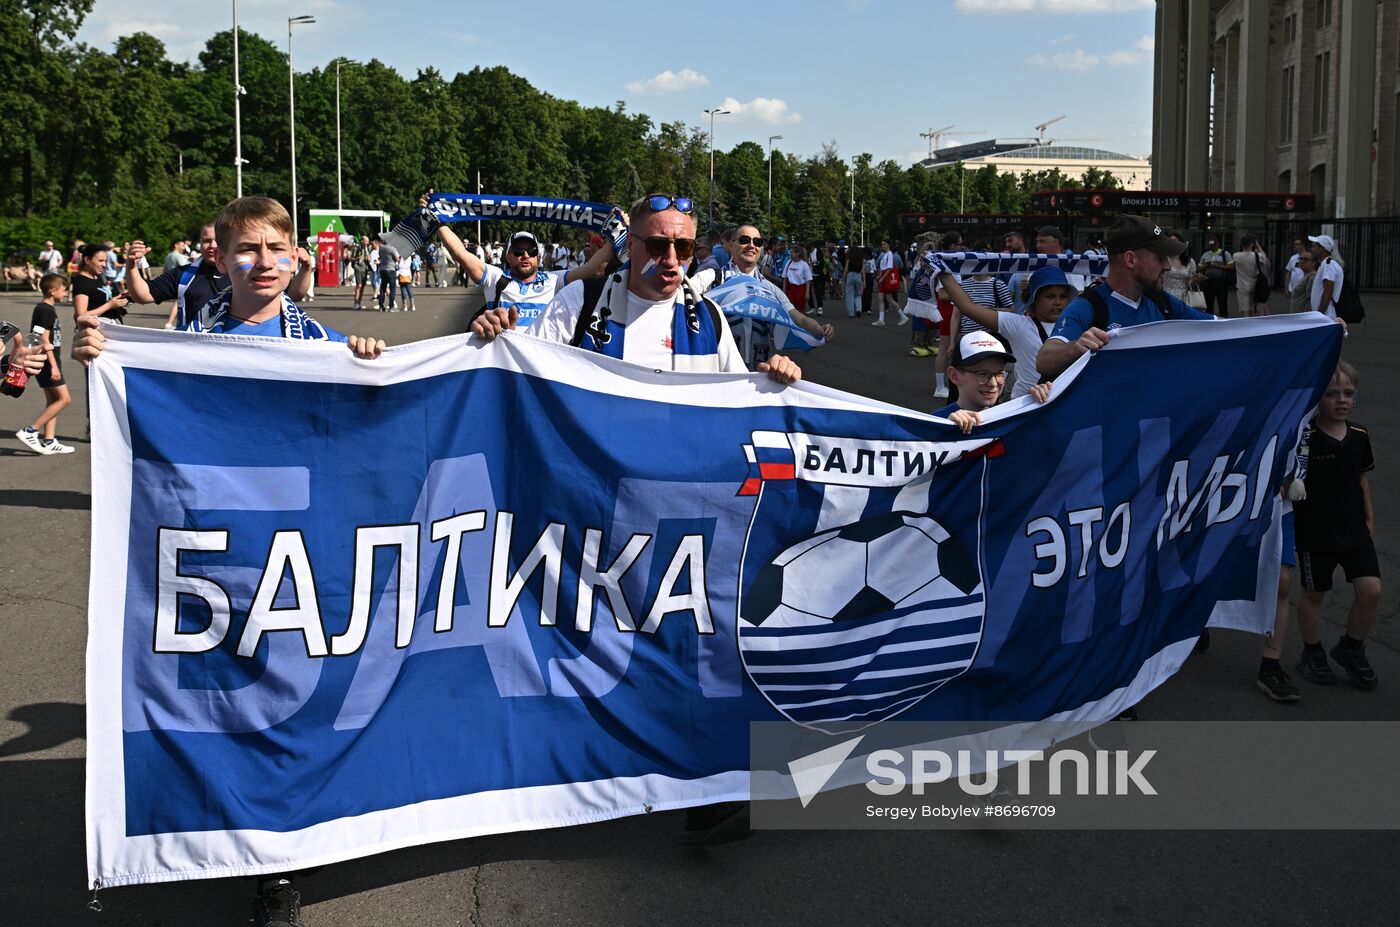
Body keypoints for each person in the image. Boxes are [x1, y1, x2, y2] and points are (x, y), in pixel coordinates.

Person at [73, 195, 383, 927]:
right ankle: (237, 842)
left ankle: (281, 865)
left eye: (277, 249)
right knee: (230, 698)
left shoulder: (323, 341)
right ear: (218, 256)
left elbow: (375, 432)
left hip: (303, 551)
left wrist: (372, 363)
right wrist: (100, 360)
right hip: (218, 555)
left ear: (298, 254)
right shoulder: (191, 346)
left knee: (297, 696)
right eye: (247, 250)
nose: (264, 264)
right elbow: (135, 439)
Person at [1036, 215, 1216, 380]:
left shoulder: (1163, 302)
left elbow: (1221, 327)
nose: (1168, 266)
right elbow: (1044, 360)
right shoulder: (1089, 306)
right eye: (1160, 257)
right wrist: (1075, 348)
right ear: (1131, 260)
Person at [1291, 361, 1380, 690]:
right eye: (1332, 394)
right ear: (1317, 397)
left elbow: (1361, 479)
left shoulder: (1359, 436)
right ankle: (1312, 652)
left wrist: (1369, 519)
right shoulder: (1305, 438)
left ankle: (1351, 648)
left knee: (1371, 591)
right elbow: (1290, 483)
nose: (1342, 400)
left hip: (1355, 530)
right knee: (1314, 594)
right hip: (1316, 533)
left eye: (1348, 393)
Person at [425, 193, 617, 328]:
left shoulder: (553, 281)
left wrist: (617, 235)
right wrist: (434, 218)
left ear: (538, 256)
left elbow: (593, 268)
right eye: (518, 251)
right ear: (508, 256)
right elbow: (460, 254)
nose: (525, 255)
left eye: (531, 251)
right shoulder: (496, 278)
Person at [123, 224, 313, 329]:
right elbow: (143, 295)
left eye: (216, 240)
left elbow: (293, 295)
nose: (211, 245)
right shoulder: (185, 274)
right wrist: (131, 266)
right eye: (206, 241)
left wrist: (306, 269)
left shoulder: (247, 272)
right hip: (195, 356)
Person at [934, 263, 1075, 401]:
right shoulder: (1019, 325)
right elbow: (968, 308)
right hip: (1024, 406)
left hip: (1063, 403)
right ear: (1035, 299)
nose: (1058, 302)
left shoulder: (1077, 327)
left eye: (1063, 296)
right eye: (1050, 296)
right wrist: (942, 272)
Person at [719, 224, 833, 369]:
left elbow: (798, 318)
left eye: (757, 242)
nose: (751, 245)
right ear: (731, 245)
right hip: (721, 368)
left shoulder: (769, 288)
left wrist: (820, 329)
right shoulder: (713, 279)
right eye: (744, 240)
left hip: (758, 368)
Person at [934, 329, 1052, 433]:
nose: (994, 383)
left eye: (999, 374)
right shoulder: (935, 423)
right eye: (982, 374)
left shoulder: (1010, 417)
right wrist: (945, 429)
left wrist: (1041, 403)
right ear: (954, 375)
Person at [14, 273, 75, 455]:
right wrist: (54, 365)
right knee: (64, 399)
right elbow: (44, 338)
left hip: (47, 361)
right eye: (63, 289)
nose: (65, 292)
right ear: (52, 290)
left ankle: (49, 440)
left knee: (53, 400)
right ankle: (30, 431)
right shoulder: (46, 310)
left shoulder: (44, 308)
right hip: (47, 362)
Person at [1307, 234, 1343, 321]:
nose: (1311, 249)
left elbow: (1328, 291)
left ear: (1323, 248)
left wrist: (1319, 315)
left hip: (1326, 316)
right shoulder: (1325, 264)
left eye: (1313, 246)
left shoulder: (1328, 265)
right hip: (1324, 315)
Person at [1233, 235, 1272, 316]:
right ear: (1252, 244)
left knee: (1245, 309)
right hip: (1255, 285)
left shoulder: (1236, 256)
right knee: (1254, 308)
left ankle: (1246, 326)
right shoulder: (1257, 256)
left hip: (1242, 286)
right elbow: (1265, 260)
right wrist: (1259, 247)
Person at [1198, 237, 1233, 317]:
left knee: (1222, 303)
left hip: (1221, 281)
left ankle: (1223, 319)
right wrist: (1207, 266)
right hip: (1208, 281)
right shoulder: (1205, 254)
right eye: (1210, 245)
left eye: (1214, 245)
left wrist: (1218, 266)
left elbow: (1231, 266)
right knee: (1209, 303)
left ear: (1218, 244)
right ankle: (1210, 320)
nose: (1212, 247)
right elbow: (1200, 267)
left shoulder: (1225, 253)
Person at [1160, 234, 1198, 303]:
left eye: (1175, 240)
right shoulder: (1164, 259)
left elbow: (1189, 284)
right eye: (1171, 240)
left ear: (1181, 243)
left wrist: (1196, 280)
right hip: (1165, 296)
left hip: (1183, 298)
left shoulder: (1189, 262)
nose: (1173, 242)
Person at [872, 239, 902, 326]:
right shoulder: (886, 254)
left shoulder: (889, 255)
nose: (882, 246)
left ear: (888, 245)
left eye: (884, 244)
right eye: (882, 244)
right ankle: (881, 319)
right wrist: (880, 277)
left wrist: (882, 278)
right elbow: (884, 268)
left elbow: (889, 268)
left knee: (888, 299)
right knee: (882, 298)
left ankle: (901, 316)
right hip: (884, 278)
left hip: (885, 279)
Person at [783, 246, 813, 315]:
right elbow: (785, 277)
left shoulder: (804, 265)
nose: (790, 254)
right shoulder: (789, 263)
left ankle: (800, 324)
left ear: (797, 254)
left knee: (800, 309)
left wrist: (807, 293)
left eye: (792, 252)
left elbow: (808, 280)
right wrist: (784, 289)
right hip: (791, 289)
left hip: (801, 289)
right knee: (790, 309)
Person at [375, 234, 400, 311]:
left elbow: (380, 256)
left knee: (383, 288)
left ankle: (381, 305)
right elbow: (397, 259)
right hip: (391, 269)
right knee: (392, 288)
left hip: (383, 269)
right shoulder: (392, 249)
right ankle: (391, 306)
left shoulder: (381, 247)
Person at [348, 235, 372, 309]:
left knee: (363, 287)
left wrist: (369, 259)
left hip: (365, 268)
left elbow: (370, 258)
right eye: (366, 241)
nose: (368, 242)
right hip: (358, 268)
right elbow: (351, 258)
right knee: (359, 285)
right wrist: (357, 258)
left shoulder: (368, 248)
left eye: (368, 241)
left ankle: (359, 302)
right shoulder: (356, 248)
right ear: (362, 241)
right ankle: (355, 303)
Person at [844, 246, 864, 318]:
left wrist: (844, 276)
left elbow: (846, 268)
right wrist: (864, 280)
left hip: (850, 275)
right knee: (858, 294)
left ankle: (851, 313)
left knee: (849, 295)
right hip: (858, 275)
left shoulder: (849, 258)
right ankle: (858, 309)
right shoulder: (861, 259)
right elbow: (863, 270)